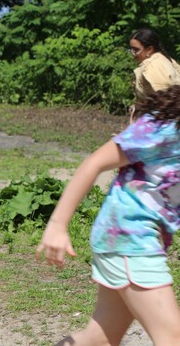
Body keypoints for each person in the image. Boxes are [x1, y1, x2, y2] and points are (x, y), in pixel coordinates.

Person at [36, 85, 180, 345]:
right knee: (173, 338)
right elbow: (95, 162)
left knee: (99, 339)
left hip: (126, 240)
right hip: (129, 238)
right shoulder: (163, 127)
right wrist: (57, 225)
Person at [129, 28, 180, 120]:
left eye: (136, 50)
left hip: (164, 121)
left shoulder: (154, 66)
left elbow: (166, 100)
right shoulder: (164, 60)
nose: (133, 54)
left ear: (149, 49)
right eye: (131, 49)